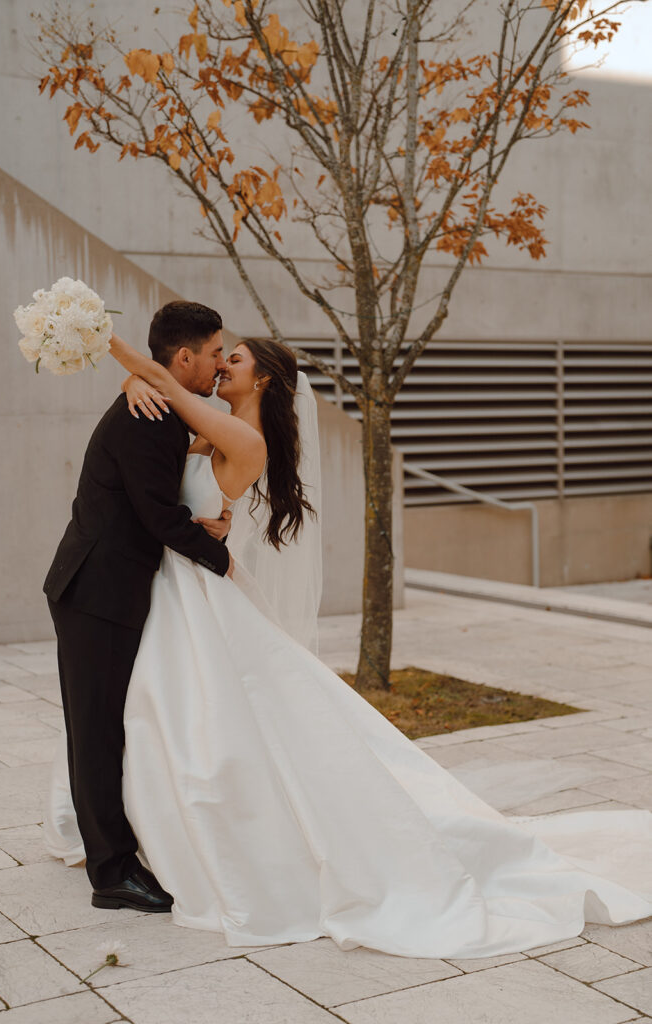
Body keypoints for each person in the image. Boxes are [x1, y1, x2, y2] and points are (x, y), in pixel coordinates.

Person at [46, 326, 652, 958]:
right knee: (159, 717)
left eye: (238, 358)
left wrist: (105, 342)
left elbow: (174, 403)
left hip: (196, 583)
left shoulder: (244, 438)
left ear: (267, 380)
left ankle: (166, 848)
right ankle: (135, 839)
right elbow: (167, 415)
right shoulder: (205, 419)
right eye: (222, 354)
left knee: (202, 723)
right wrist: (132, 379)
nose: (226, 362)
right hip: (171, 588)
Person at [43, 301, 232, 912]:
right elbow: (159, 515)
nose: (218, 363)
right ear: (183, 357)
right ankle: (112, 874)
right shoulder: (149, 415)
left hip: (111, 588)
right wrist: (223, 559)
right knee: (95, 733)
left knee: (110, 728)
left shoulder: (159, 401)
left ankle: (116, 847)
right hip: (95, 591)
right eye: (212, 353)